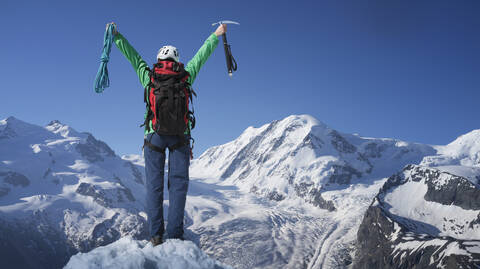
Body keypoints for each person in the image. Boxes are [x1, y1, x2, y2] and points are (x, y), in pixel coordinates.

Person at [109, 22, 226, 246]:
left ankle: (155, 236)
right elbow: (202, 56)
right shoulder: (185, 76)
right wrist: (216, 35)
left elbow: (132, 56)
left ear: (160, 60)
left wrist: (116, 36)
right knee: (178, 185)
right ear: (176, 60)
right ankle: (175, 235)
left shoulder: (150, 76)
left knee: (154, 186)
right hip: (180, 136)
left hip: (154, 136)